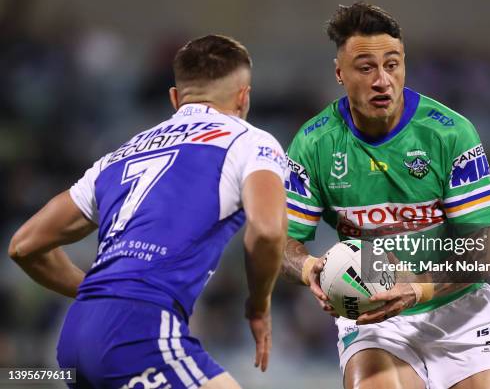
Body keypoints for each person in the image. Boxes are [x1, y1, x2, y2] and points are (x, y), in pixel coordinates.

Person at [9, 35, 287, 389]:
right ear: (244, 96)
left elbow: (23, 244)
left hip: (76, 336)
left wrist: (98, 294)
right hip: (141, 329)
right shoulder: (250, 141)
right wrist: (259, 305)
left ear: (175, 98)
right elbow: (266, 230)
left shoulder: (119, 155)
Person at [281, 2, 490, 389]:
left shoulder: (449, 134)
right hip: (376, 313)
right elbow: (282, 243)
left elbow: (484, 254)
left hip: (458, 309)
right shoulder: (314, 143)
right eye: (366, 67)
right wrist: (309, 268)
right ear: (340, 73)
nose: (382, 80)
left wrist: (416, 289)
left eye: (392, 64)